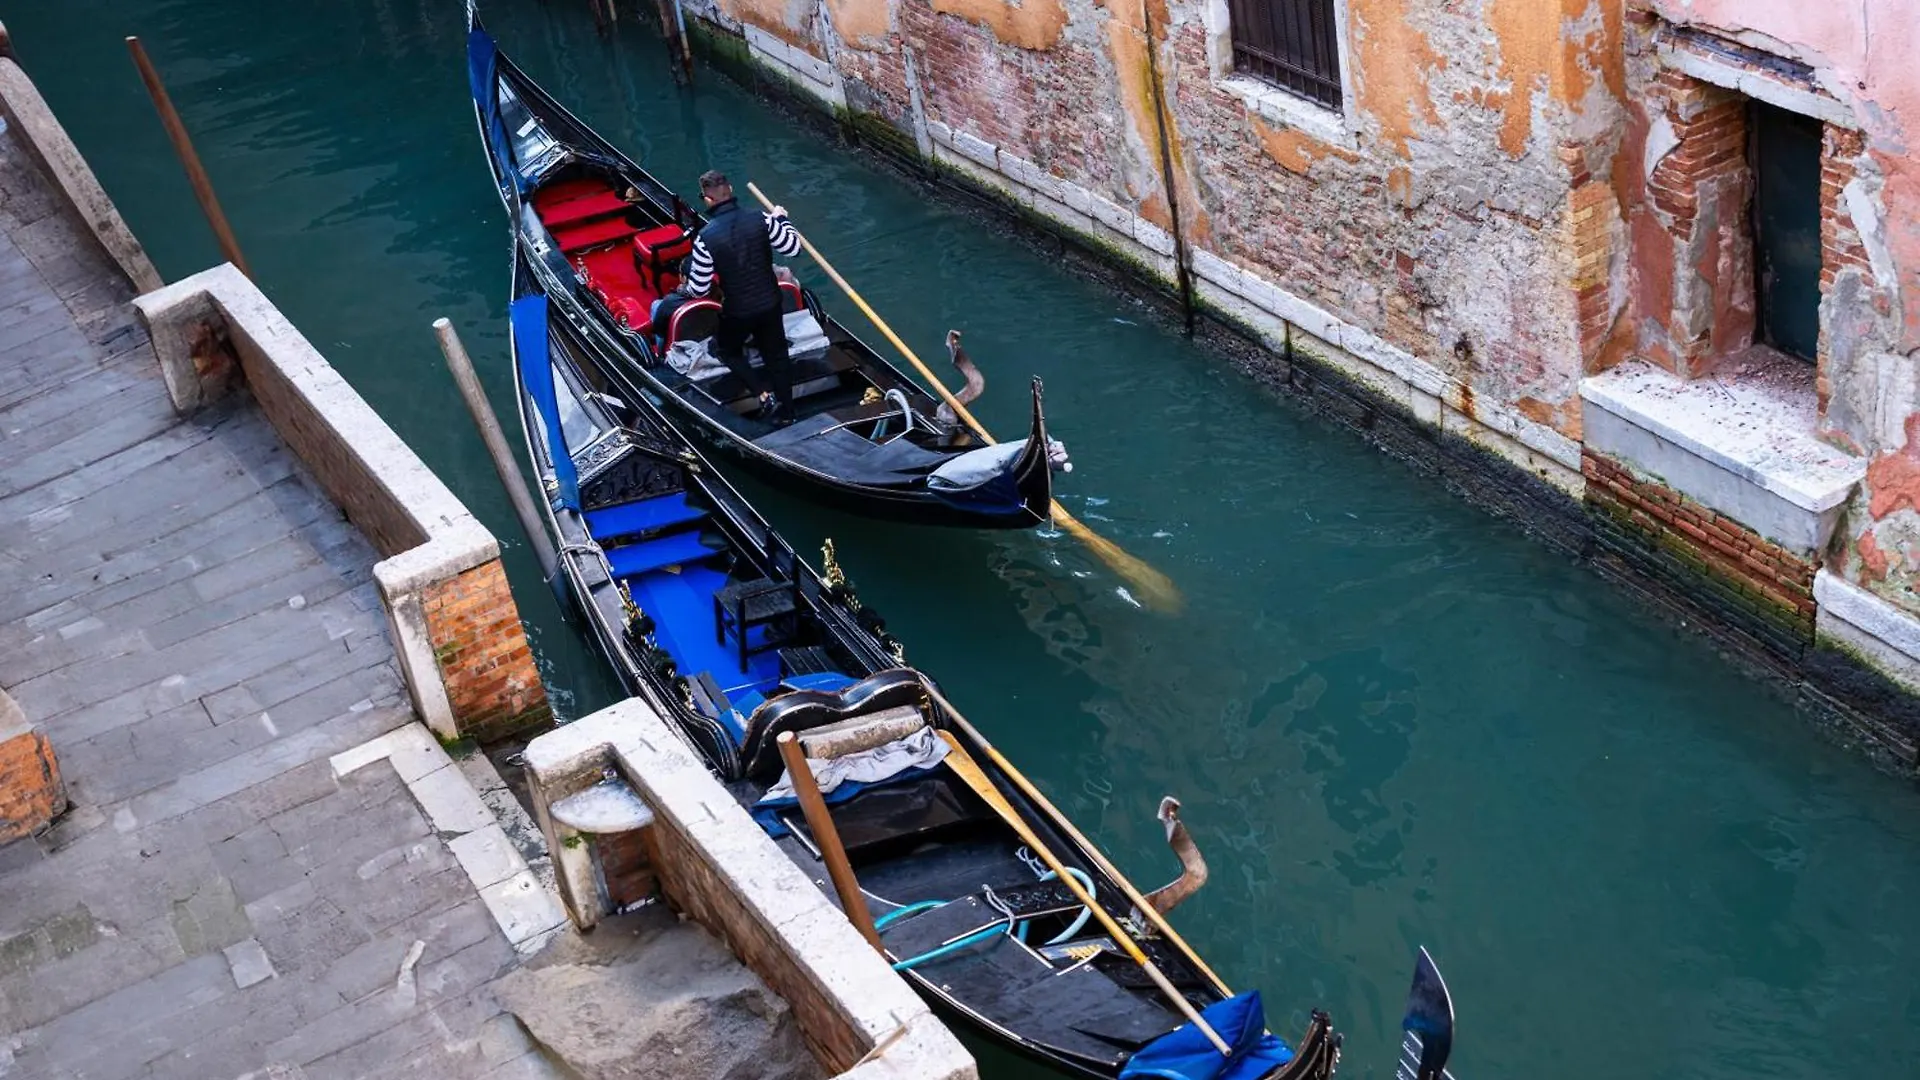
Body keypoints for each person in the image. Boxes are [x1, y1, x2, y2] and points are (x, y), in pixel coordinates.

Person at [683, 170, 802, 423]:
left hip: (739, 312)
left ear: (707, 199)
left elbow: (698, 290)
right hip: (771, 303)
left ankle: (761, 393)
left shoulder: (705, 239)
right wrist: (781, 220)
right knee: (777, 357)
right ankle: (788, 415)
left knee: (725, 349)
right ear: (731, 190)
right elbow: (793, 248)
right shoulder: (762, 219)